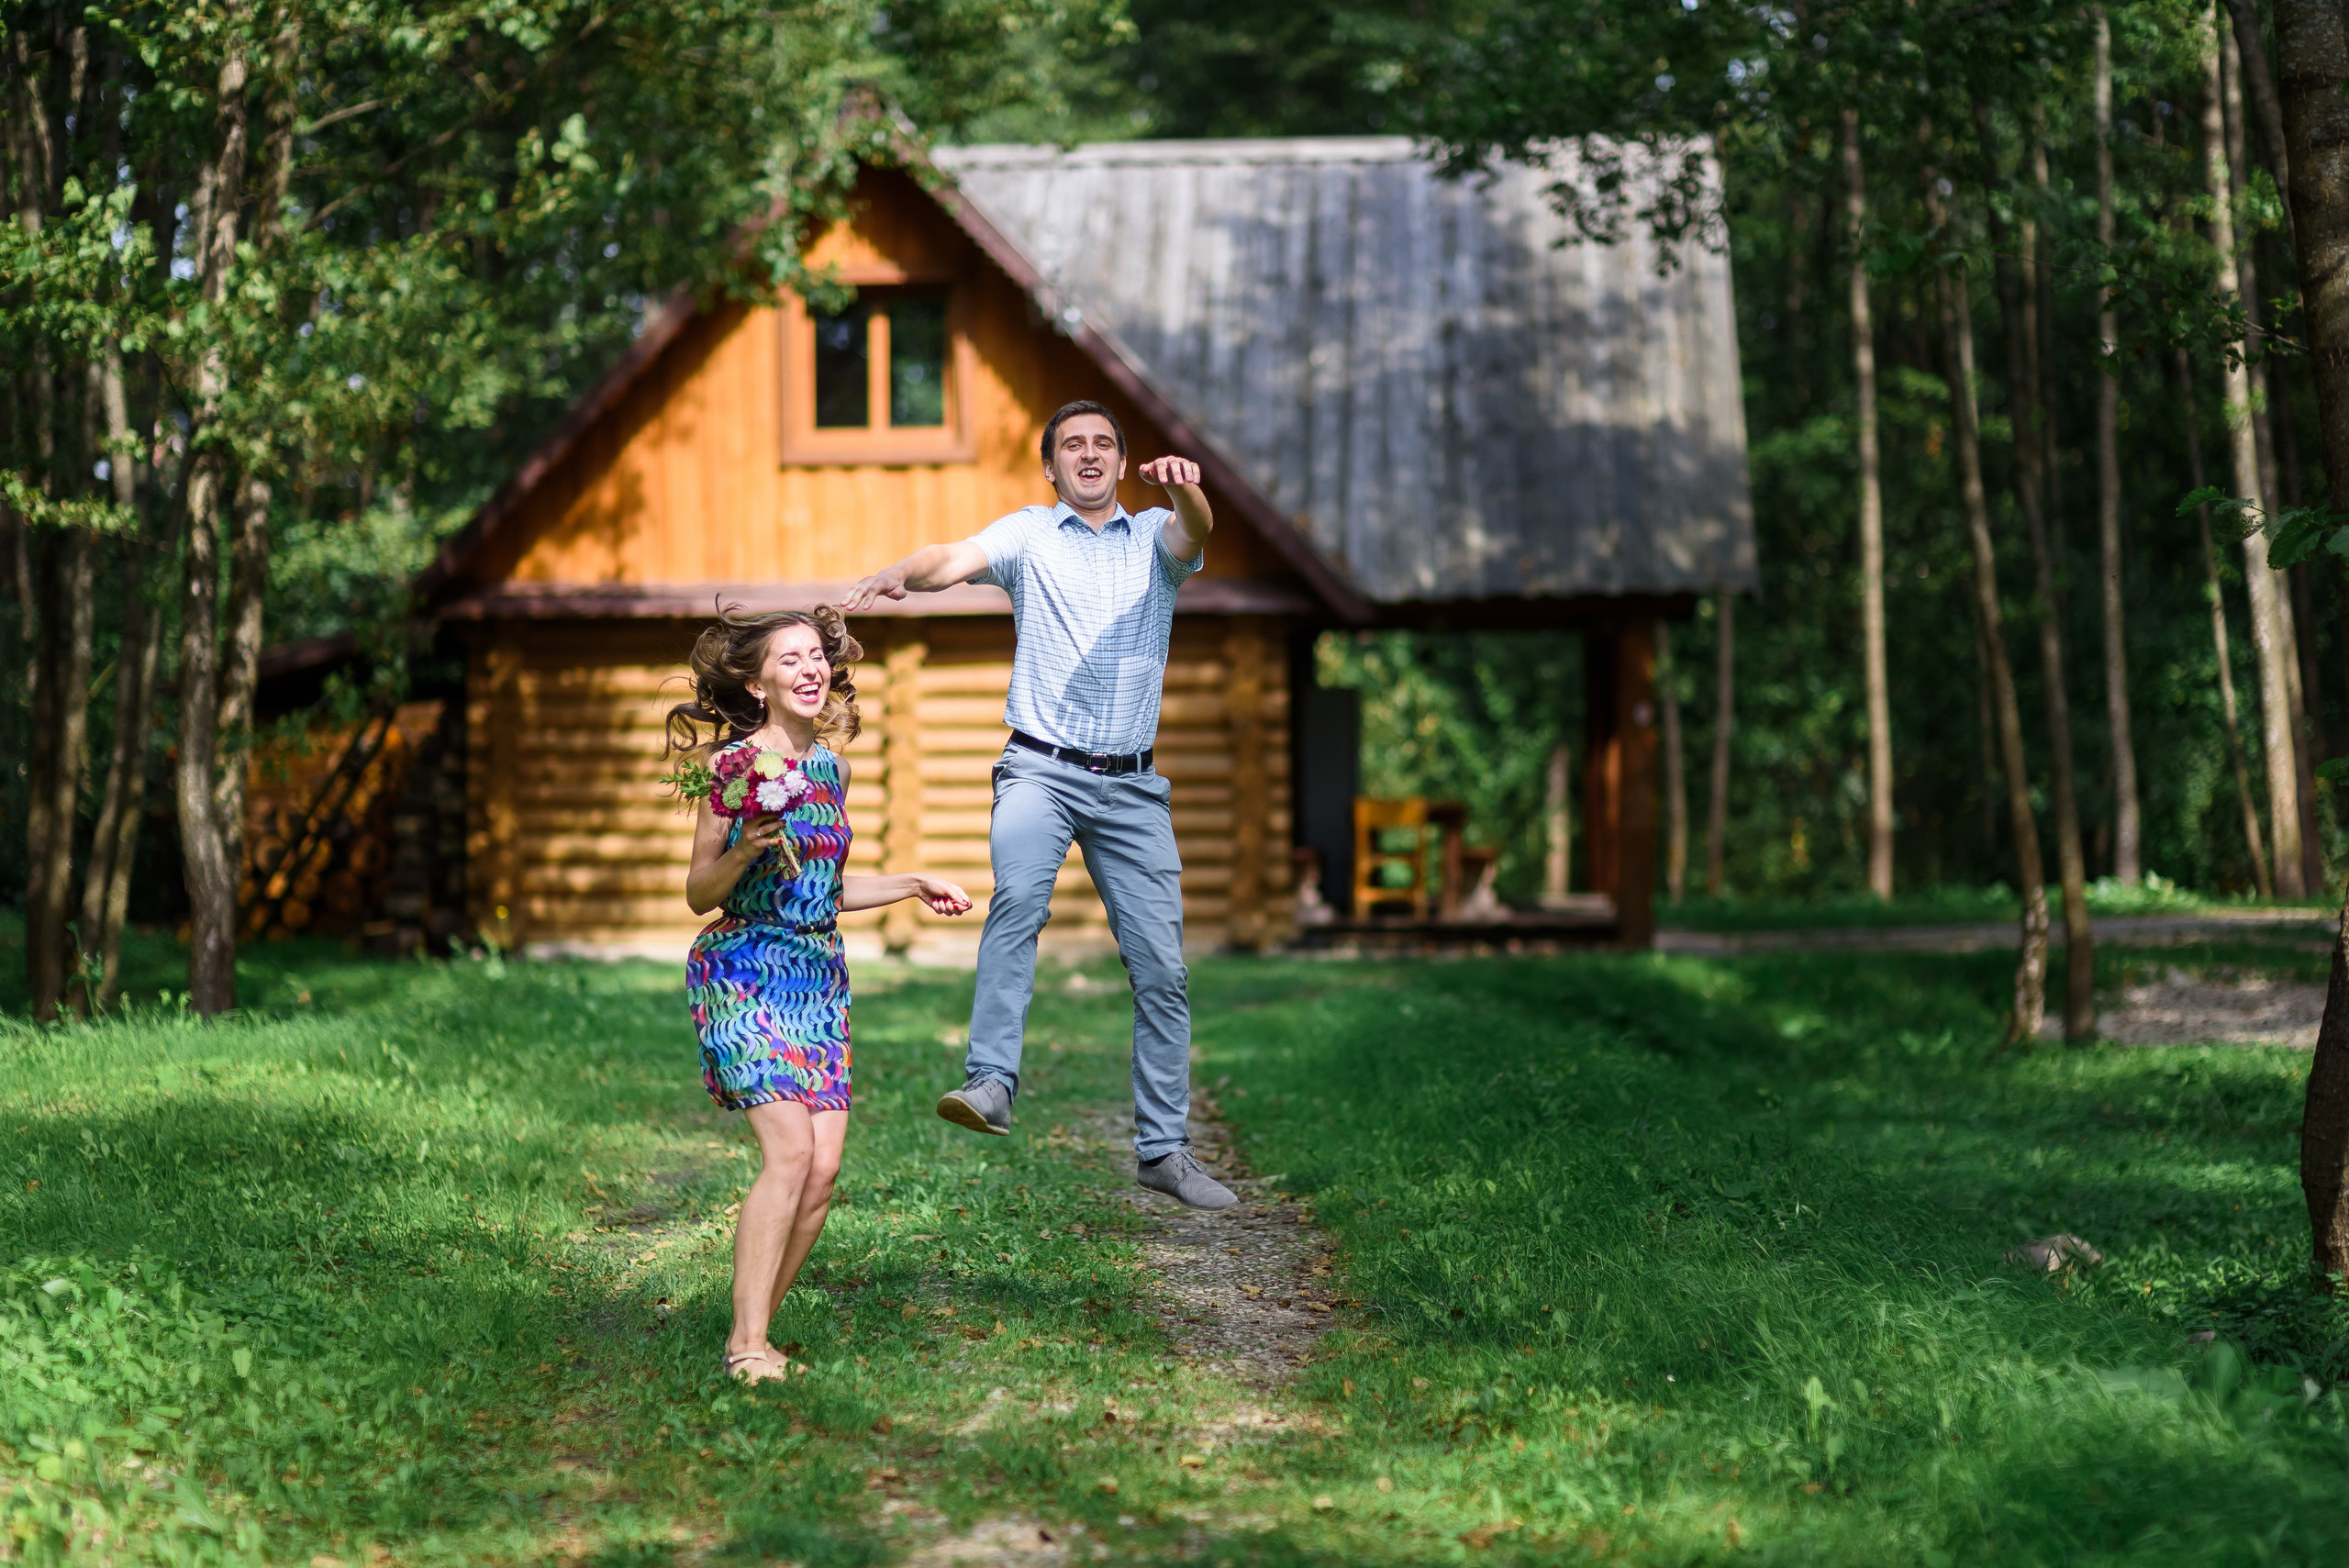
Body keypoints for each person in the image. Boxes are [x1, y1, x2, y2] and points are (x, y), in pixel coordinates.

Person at [840, 400, 1236, 1212]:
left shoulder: (1154, 539)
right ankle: (990, 1081)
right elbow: (953, 557)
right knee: (1018, 900)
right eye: (1072, 446)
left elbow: (1195, 528)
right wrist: (902, 571)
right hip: (1040, 771)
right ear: (1051, 467)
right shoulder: (1028, 534)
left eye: (1103, 444)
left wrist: (1186, 485)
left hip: (1133, 787)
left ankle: (1164, 1150)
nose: (1089, 455)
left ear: (1120, 462)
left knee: (1163, 969)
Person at [665, 606, 973, 1385]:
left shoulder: (834, 771)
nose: (810, 670)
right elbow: (699, 892)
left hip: (817, 976)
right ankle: (745, 1347)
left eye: (816, 656)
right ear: (757, 683)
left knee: (824, 1167)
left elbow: (826, 891)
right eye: (789, 659)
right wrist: (745, 848)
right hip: (743, 964)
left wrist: (913, 882)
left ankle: (755, 1333)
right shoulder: (732, 767)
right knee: (791, 1151)